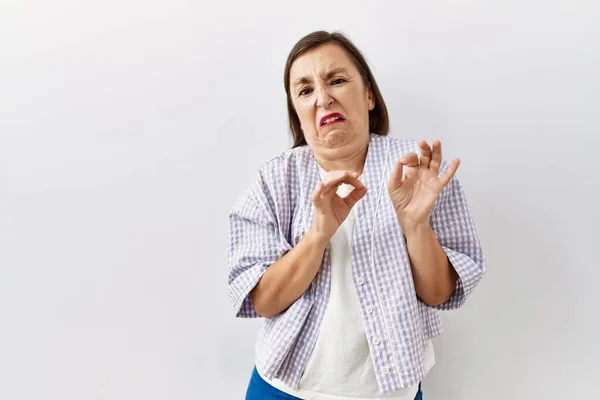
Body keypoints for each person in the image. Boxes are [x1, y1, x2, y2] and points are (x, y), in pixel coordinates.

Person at [227, 30, 486, 400]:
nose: (322, 97)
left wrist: (415, 225)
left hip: (391, 391)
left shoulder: (417, 168)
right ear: (297, 115)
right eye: (305, 90)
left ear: (368, 95)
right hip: (282, 389)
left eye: (336, 80)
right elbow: (264, 302)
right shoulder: (273, 180)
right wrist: (318, 234)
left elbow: (438, 293)